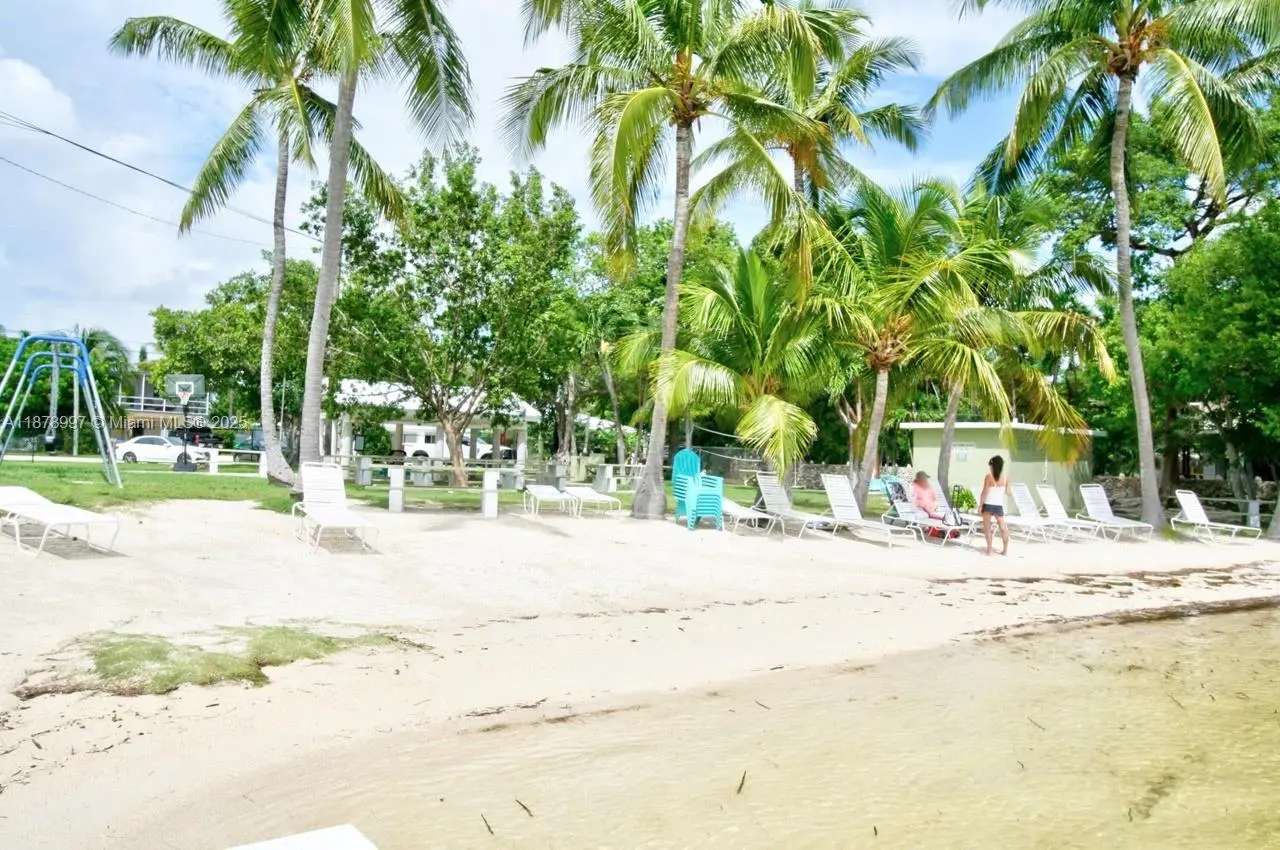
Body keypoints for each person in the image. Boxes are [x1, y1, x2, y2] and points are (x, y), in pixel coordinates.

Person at [979, 455, 1012, 556]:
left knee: (987, 528)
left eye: (990, 465)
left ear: (993, 466)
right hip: (998, 506)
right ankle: (1005, 550)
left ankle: (990, 550)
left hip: (988, 504)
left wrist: (980, 505)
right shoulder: (1006, 478)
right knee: (1003, 528)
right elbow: (1009, 493)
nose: (990, 467)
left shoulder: (988, 477)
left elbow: (984, 492)